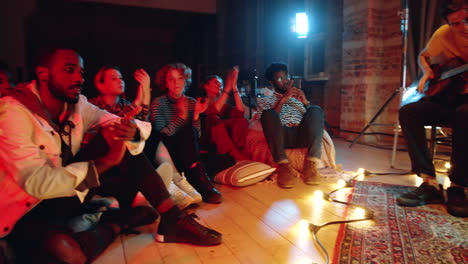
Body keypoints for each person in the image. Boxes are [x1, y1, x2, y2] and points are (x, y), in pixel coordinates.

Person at [0, 49, 221, 263]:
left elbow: (118, 122)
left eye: (81, 72)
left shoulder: (78, 105)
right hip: (28, 212)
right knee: (67, 253)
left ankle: (173, 218)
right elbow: (37, 184)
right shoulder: (13, 112)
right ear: (43, 74)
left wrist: (132, 131)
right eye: (69, 70)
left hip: (71, 192)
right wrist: (104, 163)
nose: (78, 78)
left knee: (118, 133)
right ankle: (119, 222)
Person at [90, 65, 201, 209]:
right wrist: (181, 117)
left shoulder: (125, 104)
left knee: (150, 134)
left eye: (121, 78)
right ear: (101, 86)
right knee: (141, 135)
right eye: (114, 78)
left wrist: (195, 116)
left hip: (145, 150)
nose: (120, 81)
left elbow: (143, 124)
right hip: (111, 156)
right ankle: (168, 187)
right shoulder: (92, 105)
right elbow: (117, 128)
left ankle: (178, 180)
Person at [397, 0, 468, 218]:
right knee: (409, 111)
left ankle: (458, 186)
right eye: (455, 24)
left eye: (467, 20)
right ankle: (428, 183)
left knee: (464, 115)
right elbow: (423, 56)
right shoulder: (443, 34)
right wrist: (428, 73)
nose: (463, 27)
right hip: (448, 96)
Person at [149, 63, 222, 203]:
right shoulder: (159, 102)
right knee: (186, 133)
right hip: (169, 154)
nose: (176, 83)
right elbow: (161, 136)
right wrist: (182, 117)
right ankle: (201, 182)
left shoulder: (191, 102)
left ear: (185, 80)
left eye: (180, 78)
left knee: (225, 158)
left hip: (190, 153)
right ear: (165, 82)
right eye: (171, 79)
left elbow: (197, 136)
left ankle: (197, 178)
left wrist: (195, 116)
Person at [256, 62, 324, 188]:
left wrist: (305, 103)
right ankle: (284, 166)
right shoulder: (265, 100)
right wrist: (283, 100)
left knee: (315, 109)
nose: (285, 81)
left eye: (287, 77)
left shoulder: (297, 98)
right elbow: (267, 121)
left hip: (301, 134)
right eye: (280, 79)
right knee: (268, 113)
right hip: (281, 136)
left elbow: (312, 121)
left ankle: (311, 164)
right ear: (272, 82)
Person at [199, 67, 250, 176]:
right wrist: (227, 88)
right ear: (205, 86)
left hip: (227, 146)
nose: (220, 85)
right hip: (206, 141)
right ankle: (235, 156)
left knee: (241, 121)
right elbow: (212, 111)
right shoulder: (200, 101)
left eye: (221, 83)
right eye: (216, 83)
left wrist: (234, 87)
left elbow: (240, 112)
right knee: (214, 119)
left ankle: (237, 153)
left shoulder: (224, 106)